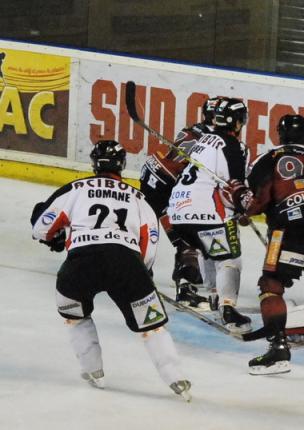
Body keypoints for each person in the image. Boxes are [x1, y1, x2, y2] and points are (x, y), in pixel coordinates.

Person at [30, 140, 192, 401]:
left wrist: (56, 238)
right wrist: (143, 273)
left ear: (94, 164)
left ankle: (93, 370)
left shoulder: (75, 189)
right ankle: (176, 378)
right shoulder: (139, 198)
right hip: (126, 263)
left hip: (79, 264)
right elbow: (149, 241)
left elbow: (40, 227)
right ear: (122, 165)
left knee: (75, 315)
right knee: (152, 325)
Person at [226, 114, 304, 375]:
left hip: (290, 229)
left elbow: (254, 203)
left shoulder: (269, 158)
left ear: (279, 135)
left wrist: (237, 192)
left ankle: (278, 351)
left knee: (271, 286)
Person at [167, 97, 252, 333]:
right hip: (205, 211)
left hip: (177, 211)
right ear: (238, 122)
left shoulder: (204, 140)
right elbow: (236, 186)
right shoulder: (233, 145)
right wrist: (246, 208)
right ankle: (228, 309)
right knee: (229, 257)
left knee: (209, 250)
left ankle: (214, 295)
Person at [139, 97, 220, 310]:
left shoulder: (191, 130)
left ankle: (141, 275)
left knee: (180, 238)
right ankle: (186, 290)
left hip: (154, 179)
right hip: (171, 187)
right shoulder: (218, 140)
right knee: (192, 239)